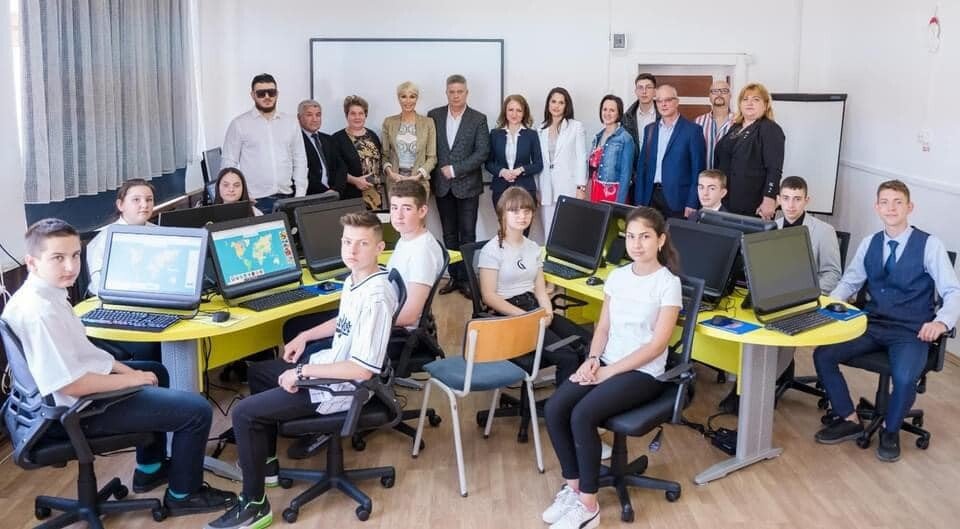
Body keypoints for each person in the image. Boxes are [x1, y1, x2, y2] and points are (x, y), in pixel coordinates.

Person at [3, 219, 237, 518]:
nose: (71, 266)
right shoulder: (40, 313)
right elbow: (72, 384)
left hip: (61, 398)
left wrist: (127, 371)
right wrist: (132, 380)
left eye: (75, 255)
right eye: (58, 258)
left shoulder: (46, 292)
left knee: (156, 370)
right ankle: (184, 495)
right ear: (32, 262)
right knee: (197, 411)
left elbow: (84, 354)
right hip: (74, 411)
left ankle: (149, 469)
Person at [205, 211, 398, 529]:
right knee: (259, 373)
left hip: (342, 388)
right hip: (330, 369)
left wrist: (302, 372)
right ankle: (265, 466)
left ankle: (254, 506)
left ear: (379, 248)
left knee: (244, 413)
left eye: (362, 244)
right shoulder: (357, 278)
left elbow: (362, 370)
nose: (351, 250)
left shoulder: (376, 297)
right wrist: (305, 335)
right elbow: (344, 321)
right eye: (347, 242)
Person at [542, 206, 682, 529]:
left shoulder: (668, 283)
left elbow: (656, 346)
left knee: (582, 415)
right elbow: (602, 328)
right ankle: (574, 487)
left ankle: (588, 506)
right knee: (555, 408)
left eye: (645, 237)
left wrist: (608, 371)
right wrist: (592, 360)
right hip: (605, 361)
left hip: (644, 372)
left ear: (660, 240)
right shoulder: (617, 277)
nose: (637, 244)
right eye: (631, 237)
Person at [813, 180, 959, 462]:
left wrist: (941, 323)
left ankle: (890, 431)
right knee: (823, 355)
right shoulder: (870, 243)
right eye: (884, 202)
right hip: (871, 324)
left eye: (897, 202)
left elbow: (953, 291)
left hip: (910, 331)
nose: (890, 208)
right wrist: (830, 305)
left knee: (904, 377)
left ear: (910, 207)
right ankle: (849, 418)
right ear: (877, 207)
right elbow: (850, 282)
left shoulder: (929, 245)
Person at [478, 187, 584, 385]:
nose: (522, 216)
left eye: (527, 211)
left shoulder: (533, 248)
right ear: (502, 213)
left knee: (586, 343)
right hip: (509, 313)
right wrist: (528, 318)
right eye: (515, 211)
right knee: (567, 356)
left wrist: (548, 313)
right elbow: (489, 296)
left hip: (533, 307)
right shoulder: (491, 251)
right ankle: (561, 403)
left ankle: (581, 398)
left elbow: (541, 291)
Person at [428, 74, 490, 298]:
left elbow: (482, 152)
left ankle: (466, 279)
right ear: (446, 93)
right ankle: (454, 276)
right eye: (451, 92)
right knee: (449, 234)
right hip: (442, 186)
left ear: (466, 93)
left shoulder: (478, 119)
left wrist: (455, 169)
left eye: (459, 92)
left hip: (468, 186)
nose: (455, 96)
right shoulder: (434, 116)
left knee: (468, 235)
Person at [222, 73, 308, 214]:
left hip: (288, 197)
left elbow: (300, 159)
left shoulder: (291, 122)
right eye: (261, 93)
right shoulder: (239, 124)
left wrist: (300, 195)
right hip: (255, 201)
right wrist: (240, 198)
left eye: (271, 92)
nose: (267, 97)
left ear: (277, 94)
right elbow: (228, 163)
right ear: (253, 95)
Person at [713, 82, 785, 219]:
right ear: (740, 104)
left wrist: (769, 198)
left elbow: (774, 169)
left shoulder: (770, 129)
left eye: (756, 99)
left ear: (765, 105)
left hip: (753, 203)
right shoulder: (735, 128)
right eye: (745, 99)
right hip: (727, 200)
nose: (749, 103)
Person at [635, 85, 706, 219]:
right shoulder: (649, 130)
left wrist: (692, 202)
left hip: (679, 200)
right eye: (659, 101)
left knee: (676, 233)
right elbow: (642, 168)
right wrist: (639, 200)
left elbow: (698, 170)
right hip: (650, 198)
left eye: (668, 100)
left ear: (677, 102)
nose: (663, 104)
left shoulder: (693, 131)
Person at [386, 179, 446, 329]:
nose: (398, 215)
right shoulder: (406, 238)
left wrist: (366, 321)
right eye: (394, 207)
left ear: (422, 211)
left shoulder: (422, 252)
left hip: (397, 329)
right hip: (387, 310)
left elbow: (410, 316)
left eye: (407, 208)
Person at [86, 179, 155, 296]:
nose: (144, 205)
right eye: (136, 200)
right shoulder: (104, 238)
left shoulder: (159, 232)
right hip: (113, 298)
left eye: (149, 200)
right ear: (120, 205)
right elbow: (99, 284)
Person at [775, 176, 842, 294]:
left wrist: (807, 293)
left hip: (807, 296)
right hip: (775, 293)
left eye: (797, 199)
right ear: (779, 200)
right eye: (786, 198)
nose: (791, 205)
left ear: (806, 201)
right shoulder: (772, 228)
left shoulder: (825, 231)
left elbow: (833, 274)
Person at [537, 87, 587, 239]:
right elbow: (538, 161)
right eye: (553, 101)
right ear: (548, 104)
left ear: (566, 106)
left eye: (561, 102)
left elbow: (581, 158)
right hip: (546, 187)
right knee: (548, 231)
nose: (556, 106)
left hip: (568, 186)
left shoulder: (575, 127)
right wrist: (536, 189)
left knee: (568, 230)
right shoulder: (540, 129)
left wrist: (581, 187)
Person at [381, 81, 437, 200]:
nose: (408, 101)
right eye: (403, 96)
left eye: (412, 96)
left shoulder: (428, 123)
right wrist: (390, 173)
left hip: (419, 182)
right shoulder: (388, 122)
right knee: (397, 213)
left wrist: (418, 176)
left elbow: (432, 157)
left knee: (418, 213)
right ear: (398, 98)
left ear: (417, 98)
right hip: (395, 183)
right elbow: (385, 155)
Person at [486, 94, 543, 209]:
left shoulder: (532, 135)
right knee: (504, 221)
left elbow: (538, 164)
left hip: (525, 189)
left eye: (519, 110)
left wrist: (520, 170)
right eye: (511, 110)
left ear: (524, 113)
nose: (514, 114)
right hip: (500, 189)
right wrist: (502, 172)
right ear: (505, 111)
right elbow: (488, 163)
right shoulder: (495, 134)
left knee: (524, 220)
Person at [332, 95, 386, 210]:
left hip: (376, 196)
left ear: (365, 115)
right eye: (353, 113)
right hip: (352, 197)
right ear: (346, 115)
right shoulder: (337, 139)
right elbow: (335, 170)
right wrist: (355, 181)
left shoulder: (372, 135)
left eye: (361, 113)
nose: (357, 117)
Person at [588, 95, 634, 204]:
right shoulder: (597, 137)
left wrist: (619, 204)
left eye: (612, 110)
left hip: (613, 194)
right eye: (605, 109)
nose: (607, 113)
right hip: (595, 191)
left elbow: (626, 175)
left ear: (619, 113)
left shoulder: (625, 138)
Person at [297, 99, 343, 196]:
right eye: (309, 115)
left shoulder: (328, 139)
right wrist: (324, 192)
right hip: (310, 197)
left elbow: (341, 167)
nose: (315, 119)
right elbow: (301, 172)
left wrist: (336, 190)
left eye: (318, 115)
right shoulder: (295, 141)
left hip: (333, 195)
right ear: (299, 117)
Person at [694, 79, 734, 170]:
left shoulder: (739, 122)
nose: (719, 94)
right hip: (704, 176)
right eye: (715, 91)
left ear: (730, 96)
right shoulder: (698, 122)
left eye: (724, 91)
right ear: (709, 96)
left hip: (729, 177)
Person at [622, 73, 659, 154]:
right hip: (635, 161)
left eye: (648, 87)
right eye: (640, 88)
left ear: (655, 91)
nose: (644, 91)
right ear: (636, 91)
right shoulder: (626, 118)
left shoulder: (663, 115)